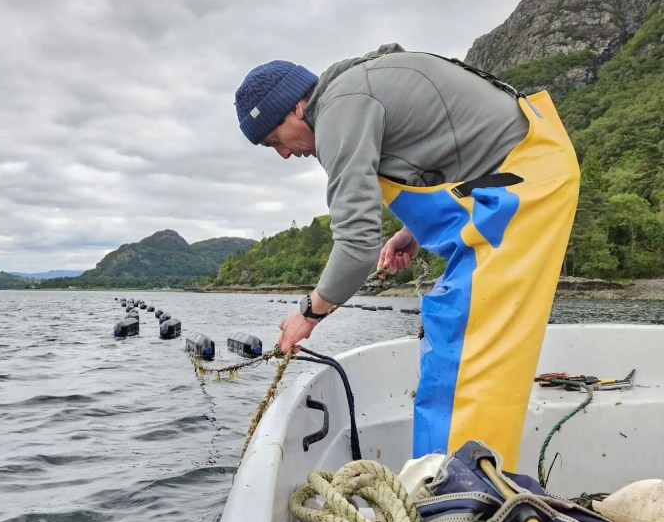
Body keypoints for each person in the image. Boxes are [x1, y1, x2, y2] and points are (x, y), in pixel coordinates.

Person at [234, 44, 580, 469]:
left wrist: (308, 313)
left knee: (463, 346)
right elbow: (444, 155)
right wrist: (411, 232)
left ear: (294, 109)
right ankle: (454, 479)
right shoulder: (358, 88)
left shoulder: (340, 112)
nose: (284, 154)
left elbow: (357, 243)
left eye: (274, 141)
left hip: (522, 192)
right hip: (515, 178)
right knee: (452, 331)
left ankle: (458, 492)